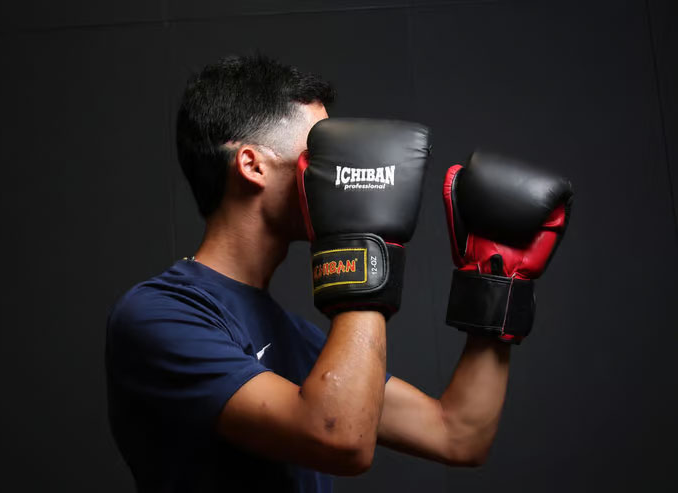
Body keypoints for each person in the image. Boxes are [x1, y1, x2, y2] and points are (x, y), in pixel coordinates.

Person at [105, 53, 571, 493]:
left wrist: (498, 281)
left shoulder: (293, 337)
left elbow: (457, 434)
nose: (340, 168)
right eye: (321, 152)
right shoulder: (159, 317)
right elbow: (339, 438)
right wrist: (361, 235)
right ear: (252, 165)